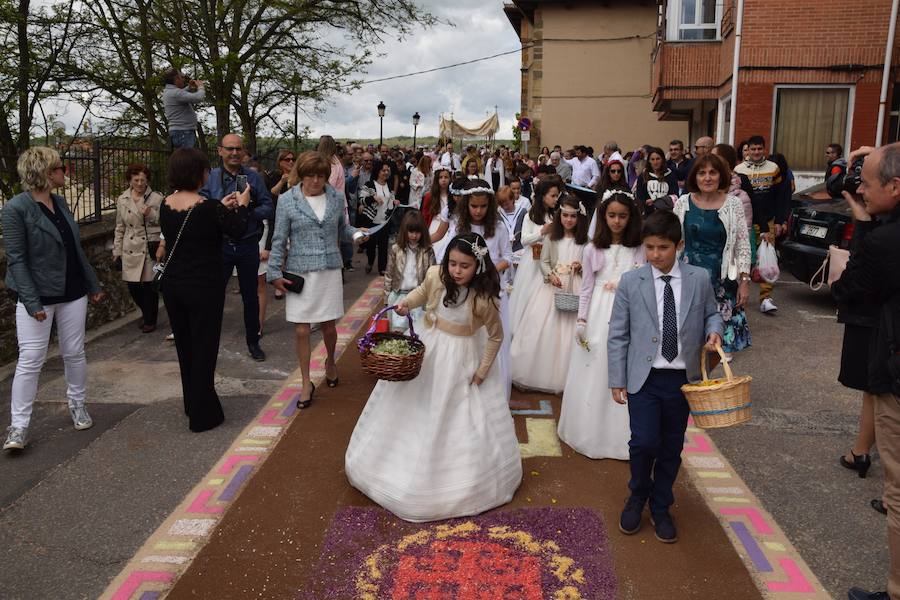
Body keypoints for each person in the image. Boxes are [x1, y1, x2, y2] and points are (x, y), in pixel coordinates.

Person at [345, 233, 522, 522]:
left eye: (464, 265)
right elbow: (421, 293)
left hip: (463, 357)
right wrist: (407, 305)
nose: (456, 270)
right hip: (431, 347)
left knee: (456, 412)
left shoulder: (483, 299)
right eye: (452, 263)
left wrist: (482, 371)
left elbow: (495, 337)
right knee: (415, 402)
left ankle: (459, 480)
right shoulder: (436, 276)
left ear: (477, 266)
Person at [609, 209, 724, 544]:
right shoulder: (632, 281)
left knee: (671, 446)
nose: (656, 254)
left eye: (663, 247)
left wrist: (714, 332)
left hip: (681, 380)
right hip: (644, 378)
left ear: (680, 245)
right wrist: (617, 378)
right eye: (650, 247)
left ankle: (661, 506)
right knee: (643, 442)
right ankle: (637, 495)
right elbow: (619, 333)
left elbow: (713, 313)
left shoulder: (699, 278)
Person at [830, 143, 900, 600]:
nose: (862, 190)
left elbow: (850, 290)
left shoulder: (883, 240)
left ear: (895, 187)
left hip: (895, 372)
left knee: (898, 491)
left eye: (870, 184)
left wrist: (863, 227)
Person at [2, 147, 104, 451]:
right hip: (38, 295)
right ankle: (18, 427)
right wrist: (32, 302)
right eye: (60, 167)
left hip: (72, 292)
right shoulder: (15, 209)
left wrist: (92, 283)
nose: (65, 171)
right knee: (30, 360)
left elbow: (74, 248)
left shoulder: (60, 202)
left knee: (74, 352)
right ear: (46, 173)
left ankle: (77, 404)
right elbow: (16, 260)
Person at [156, 148, 250, 432]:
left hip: (173, 285)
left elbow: (192, 227)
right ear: (198, 173)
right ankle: (203, 413)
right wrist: (242, 204)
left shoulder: (165, 203)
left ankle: (191, 402)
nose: (209, 174)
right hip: (203, 286)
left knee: (185, 346)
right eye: (206, 170)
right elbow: (237, 230)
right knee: (204, 346)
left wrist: (221, 206)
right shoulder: (208, 207)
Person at [267, 151, 368, 409]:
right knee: (301, 330)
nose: (316, 181)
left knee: (329, 327)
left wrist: (356, 234)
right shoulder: (288, 200)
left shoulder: (335, 196)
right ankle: (305, 382)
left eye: (321, 176)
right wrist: (274, 273)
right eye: (311, 175)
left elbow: (342, 228)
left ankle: (330, 362)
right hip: (300, 271)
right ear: (301, 175)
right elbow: (278, 239)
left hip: (329, 270)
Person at [559, 192, 644, 459]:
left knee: (625, 363)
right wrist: (582, 319)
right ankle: (589, 430)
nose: (616, 221)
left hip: (629, 310)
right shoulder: (592, 248)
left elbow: (644, 277)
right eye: (611, 215)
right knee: (595, 364)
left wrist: (626, 282)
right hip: (598, 310)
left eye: (622, 216)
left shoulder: (639, 247)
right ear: (603, 216)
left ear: (630, 218)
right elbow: (586, 288)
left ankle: (624, 435)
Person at [200, 133, 274, 360]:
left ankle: (253, 341)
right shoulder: (210, 178)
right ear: (220, 151)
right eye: (229, 149)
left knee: (250, 296)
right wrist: (222, 208)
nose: (234, 153)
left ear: (243, 152)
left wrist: (247, 210)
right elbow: (200, 207)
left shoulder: (254, 177)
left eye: (238, 149)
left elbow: (268, 206)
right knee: (213, 296)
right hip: (220, 245)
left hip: (247, 245)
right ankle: (206, 343)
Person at [673, 154, 752, 360]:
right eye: (702, 173)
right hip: (688, 278)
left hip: (723, 280)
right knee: (688, 340)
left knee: (721, 348)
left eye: (712, 172)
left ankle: (715, 388)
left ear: (721, 176)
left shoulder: (733, 204)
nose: (707, 178)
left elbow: (743, 244)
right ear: (695, 177)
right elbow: (671, 239)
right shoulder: (683, 203)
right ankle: (694, 385)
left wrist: (744, 280)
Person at [510, 195, 589, 393]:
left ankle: (568, 376)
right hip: (552, 286)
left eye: (573, 216)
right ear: (559, 216)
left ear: (579, 218)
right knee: (540, 325)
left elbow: (590, 265)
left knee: (570, 330)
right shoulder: (552, 237)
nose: (569, 220)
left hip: (574, 285)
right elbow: (544, 262)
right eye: (565, 215)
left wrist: (581, 267)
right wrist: (549, 275)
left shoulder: (585, 241)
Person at [734, 135, 787, 315]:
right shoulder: (739, 169)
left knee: (767, 259)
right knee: (743, 257)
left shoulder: (774, 168)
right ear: (747, 150)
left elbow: (782, 195)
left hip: (769, 219)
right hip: (746, 221)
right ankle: (739, 293)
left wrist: (781, 220)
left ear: (764, 149)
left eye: (759, 149)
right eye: (752, 149)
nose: (756, 152)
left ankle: (766, 298)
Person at [113, 163, 163, 333]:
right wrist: (117, 251)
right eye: (136, 180)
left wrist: (150, 214)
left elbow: (165, 222)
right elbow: (120, 226)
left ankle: (150, 320)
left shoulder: (156, 198)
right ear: (130, 180)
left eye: (143, 180)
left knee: (149, 287)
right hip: (130, 247)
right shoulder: (122, 199)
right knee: (133, 287)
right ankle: (147, 312)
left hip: (149, 246)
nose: (140, 183)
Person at [509, 177, 559, 334]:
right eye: (553, 195)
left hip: (550, 261)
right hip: (533, 263)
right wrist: (541, 232)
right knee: (529, 296)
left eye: (557, 195)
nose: (556, 199)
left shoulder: (555, 215)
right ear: (543, 196)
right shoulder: (530, 215)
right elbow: (524, 240)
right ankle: (526, 329)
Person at [383, 210, 436, 331]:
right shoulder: (396, 249)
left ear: (423, 232)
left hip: (418, 297)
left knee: (417, 332)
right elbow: (389, 274)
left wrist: (431, 299)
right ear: (404, 231)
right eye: (411, 231)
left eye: (417, 232)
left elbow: (432, 276)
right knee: (398, 331)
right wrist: (386, 297)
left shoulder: (427, 251)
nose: (414, 235)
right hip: (398, 295)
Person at [359, 162, 397, 275]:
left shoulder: (389, 185)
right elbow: (361, 200)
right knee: (371, 245)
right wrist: (373, 198)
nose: (386, 173)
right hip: (371, 221)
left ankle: (382, 268)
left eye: (387, 170)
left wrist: (395, 202)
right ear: (378, 172)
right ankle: (370, 262)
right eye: (383, 170)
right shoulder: (369, 184)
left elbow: (391, 199)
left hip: (385, 221)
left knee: (383, 245)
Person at [265, 149, 295, 290]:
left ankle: (290, 278)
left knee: (292, 249)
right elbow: (272, 193)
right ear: (280, 161)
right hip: (277, 214)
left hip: (294, 214)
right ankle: (278, 284)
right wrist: (282, 181)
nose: (290, 162)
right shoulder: (274, 175)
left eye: (292, 159)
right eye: (287, 159)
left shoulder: (297, 175)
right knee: (279, 248)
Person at [161, 68, 204, 149]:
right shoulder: (176, 93)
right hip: (184, 133)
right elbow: (198, 97)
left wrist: (189, 87)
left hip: (180, 132)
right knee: (188, 160)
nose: (183, 79)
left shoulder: (168, 91)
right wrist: (201, 87)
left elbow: (180, 94)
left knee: (182, 159)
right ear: (176, 78)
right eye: (182, 77)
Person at [635, 146, 679, 216]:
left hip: (667, 215)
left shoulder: (671, 175)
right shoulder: (643, 176)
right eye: (652, 159)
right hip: (648, 216)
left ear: (662, 160)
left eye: (658, 159)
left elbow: (675, 196)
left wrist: (657, 201)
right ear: (649, 161)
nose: (655, 162)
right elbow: (639, 197)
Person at [496, 185, 528, 271]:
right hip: (504, 251)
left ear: (512, 199)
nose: (504, 206)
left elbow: (525, 230)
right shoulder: (498, 214)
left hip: (519, 249)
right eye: (502, 204)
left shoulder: (522, 212)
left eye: (506, 203)